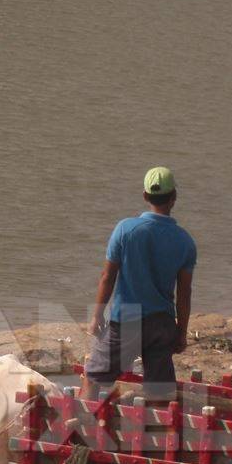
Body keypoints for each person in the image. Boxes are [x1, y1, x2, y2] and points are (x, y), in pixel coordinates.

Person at [82, 166, 196, 400]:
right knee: (160, 391)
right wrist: (181, 332)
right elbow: (184, 293)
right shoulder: (185, 241)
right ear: (174, 198)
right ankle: (158, 433)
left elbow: (107, 277)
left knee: (93, 376)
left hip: (127, 319)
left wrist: (96, 316)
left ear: (145, 196)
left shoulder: (125, 229)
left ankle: (81, 431)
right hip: (162, 322)